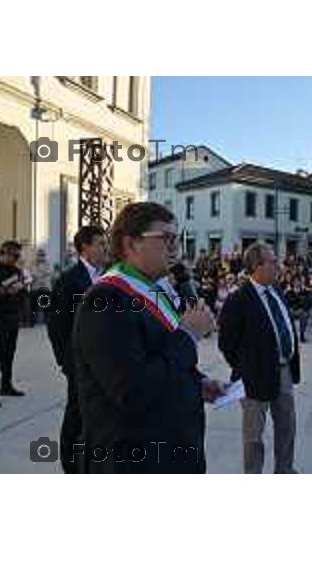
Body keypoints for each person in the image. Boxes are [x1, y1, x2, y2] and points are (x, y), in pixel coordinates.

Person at [72, 202, 223, 473]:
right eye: (166, 238)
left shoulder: (152, 290)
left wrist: (195, 382)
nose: (176, 247)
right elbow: (133, 390)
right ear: (131, 244)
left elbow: (160, 356)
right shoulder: (106, 298)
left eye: (178, 238)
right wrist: (188, 335)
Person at [218, 241, 300, 474]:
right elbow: (227, 344)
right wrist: (247, 367)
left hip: (282, 371)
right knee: (254, 435)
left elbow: (284, 326)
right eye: (273, 261)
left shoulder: (277, 292)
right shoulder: (239, 300)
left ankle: (284, 470)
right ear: (257, 266)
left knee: (287, 425)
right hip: (253, 376)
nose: (278, 265)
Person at [47, 226, 107, 472]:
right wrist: (65, 362)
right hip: (79, 362)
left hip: (105, 362)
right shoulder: (69, 280)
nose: (106, 248)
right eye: (101, 244)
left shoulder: (109, 277)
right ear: (85, 247)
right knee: (76, 413)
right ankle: (70, 466)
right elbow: (57, 326)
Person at [0, 241, 27, 408]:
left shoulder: (16, 271)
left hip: (12, 317)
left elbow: (23, 292)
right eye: (14, 255)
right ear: (4, 253)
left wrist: (20, 290)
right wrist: (0, 292)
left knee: (9, 353)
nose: (17, 259)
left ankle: (6, 385)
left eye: (18, 256)